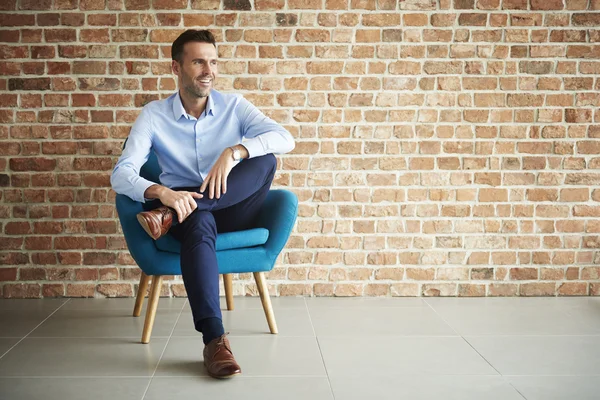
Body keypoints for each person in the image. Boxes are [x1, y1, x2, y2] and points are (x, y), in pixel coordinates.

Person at [110, 29, 295, 379]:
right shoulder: (154, 115)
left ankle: (172, 214)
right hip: (184, 211)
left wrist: (234, 151)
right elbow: (122, 174)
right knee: (195, 219)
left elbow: (285, 138)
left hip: (235, 207)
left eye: (212, 61)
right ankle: (215, 340)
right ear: (176, 69)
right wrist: (162, 194)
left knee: (266, 159)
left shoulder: (234, 106)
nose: (208, 70)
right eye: (198, 62)